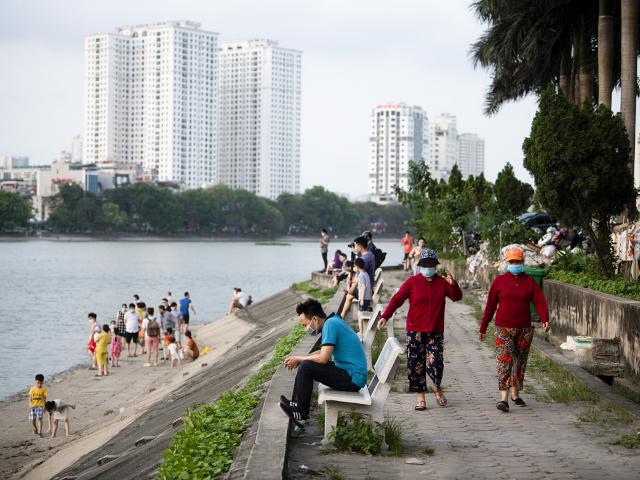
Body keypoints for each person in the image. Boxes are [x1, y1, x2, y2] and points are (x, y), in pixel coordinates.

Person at [378, 249, 462, 411]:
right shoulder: (412, 282)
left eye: (431, 265)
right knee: (415, 364)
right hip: (415, 330)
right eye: (425, 265)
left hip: (435, 331)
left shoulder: (442, 282)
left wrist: (454, 284)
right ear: (421, 266)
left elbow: (456, 297)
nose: (428, 268)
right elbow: (397, 300)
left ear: (435, 266)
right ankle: (420, 397)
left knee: (436, 363)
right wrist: (385, 316)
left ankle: (436, 387)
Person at [479, 246, 550, 412]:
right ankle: (503, 399)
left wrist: (545, 318)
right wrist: (483, 327)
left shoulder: (529, 282)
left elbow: (539, 300)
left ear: (523, 262)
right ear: (507, 262)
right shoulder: (499, 281)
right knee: (504, 360)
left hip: (524, 329)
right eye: (512, 261)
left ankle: (515, 394)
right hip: (503, 328)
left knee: (520, 361)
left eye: (518, 261)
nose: (515, 264)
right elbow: (490, 306)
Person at [279, 299, 367, 428]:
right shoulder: (333, 321)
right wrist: (299, 357)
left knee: (306, 367)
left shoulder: (330, 325)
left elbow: (323, 358)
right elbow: (322, 351)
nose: (306, 329)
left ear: (315, 319)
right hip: (351, 374)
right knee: (306, 363)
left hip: (353, 378)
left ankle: (301, 413)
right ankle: (297, 404)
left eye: (305, 325)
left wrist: (300, 359)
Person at [354, 257, 373, 337]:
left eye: (355, 266)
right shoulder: (366, 273)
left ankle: (361, 332)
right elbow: (369, 286)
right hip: (367, 298)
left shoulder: (361, 275)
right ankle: (362, 331)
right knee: (361, 314)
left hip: (363, 298)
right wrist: (371, 297)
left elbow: (364, 287)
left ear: (357, 267)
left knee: (360, 314)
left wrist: (361, 299)